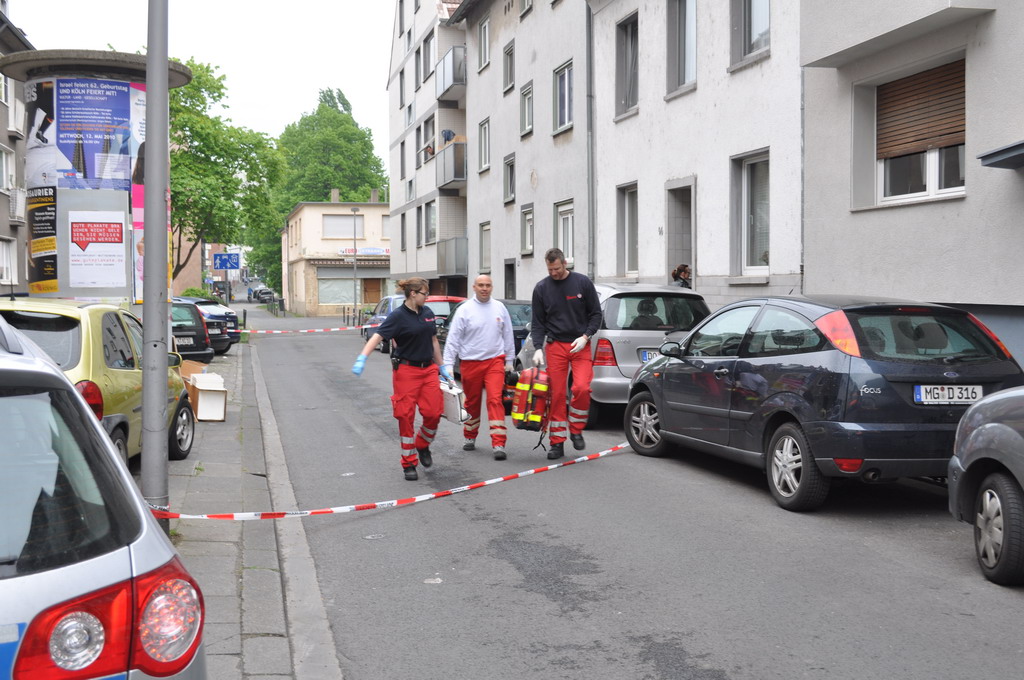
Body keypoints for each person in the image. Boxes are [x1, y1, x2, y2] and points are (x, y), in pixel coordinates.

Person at [352, 278, 454, 481]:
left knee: (434, 413)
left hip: (428, 371)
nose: (428, 297)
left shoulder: (427, 313)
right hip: (407, 372)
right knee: (405, 416)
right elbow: (377, 336)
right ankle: (409, 463)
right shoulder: (398, 316)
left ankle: (422, 444)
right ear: (413, 293)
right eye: (425, 293)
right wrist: (362, 358)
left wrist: (441, 366)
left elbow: (433, 340)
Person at [530, 248, 603, 460]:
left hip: (580, 344)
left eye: (557, 268)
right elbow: (538, 323)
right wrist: (537, 347)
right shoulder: (542, 288)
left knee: (581, 388)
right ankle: (557, 443)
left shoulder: (582, 283)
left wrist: (586, 336)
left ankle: (576, 429)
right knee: (558, 394)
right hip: (555, 347)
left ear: (565, 264)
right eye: (550, 269)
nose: (553, 272)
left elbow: (596, 314)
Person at [442, 275, 516, 461]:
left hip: (494, 361)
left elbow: (508, 334)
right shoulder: (465, 310)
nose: (484, 288)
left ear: (492, 287)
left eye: (488, 285)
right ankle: (470, 435)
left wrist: (509, 360)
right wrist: (448, 365)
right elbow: (453, 339)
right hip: (470, 362)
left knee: (495, 400)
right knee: (472, 402)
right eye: (481, 285)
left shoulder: (499, 307)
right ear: (474, 287)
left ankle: (499, 442)